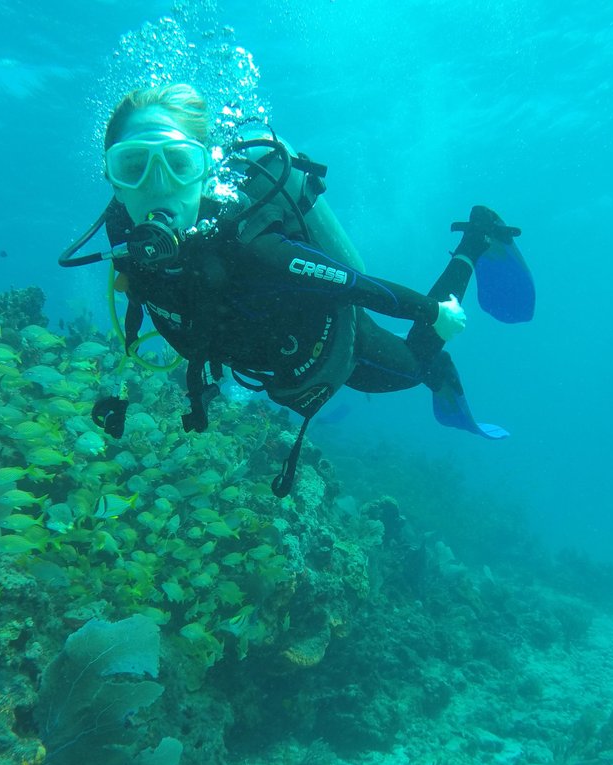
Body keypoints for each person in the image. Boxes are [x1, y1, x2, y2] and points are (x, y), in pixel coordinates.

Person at [60, 83, 532, 496]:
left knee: (412, 370)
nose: (157, 185)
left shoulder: (252, 244)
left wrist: (435, 314)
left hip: (333, 339)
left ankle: (475, 238)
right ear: (113, 182)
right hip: (271, 359)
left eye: (179, 162)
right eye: (133, 165)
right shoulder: (125, 242)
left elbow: (354, 284)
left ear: (206, 170)